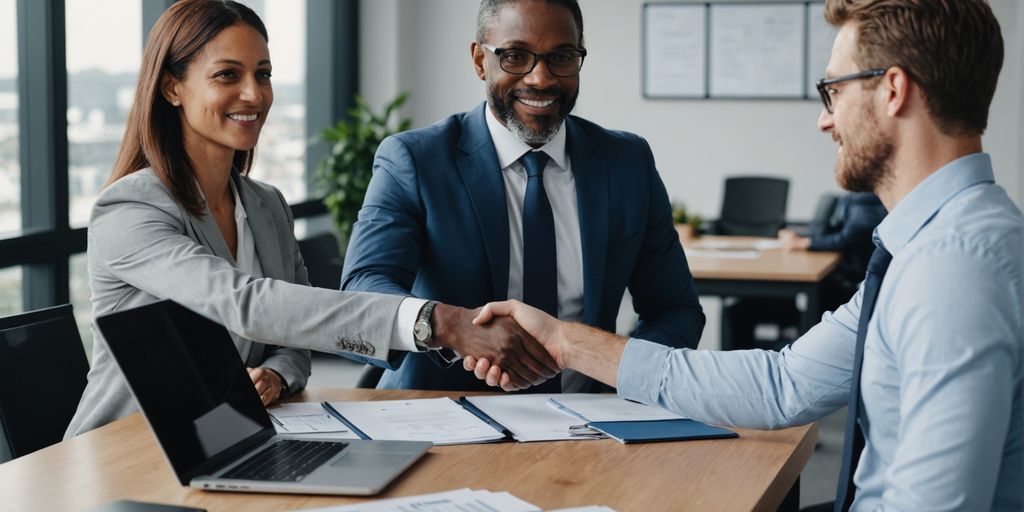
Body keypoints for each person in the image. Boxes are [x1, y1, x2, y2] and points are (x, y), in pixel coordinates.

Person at [467, 0, 1022, 510]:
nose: (824, 119)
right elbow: (783, 385)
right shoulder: (929, 248)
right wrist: (565, 341)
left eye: (833, 91)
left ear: (893, 90)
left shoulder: (955, 269)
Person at [66, 0, 556, 438]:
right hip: (124, 450)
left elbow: (292, 342)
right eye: (227, 75)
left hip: (227, 439)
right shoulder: (129, 210)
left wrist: (277, 375)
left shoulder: (266, 206)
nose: (254, 95)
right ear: (172, 87)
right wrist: (436, 320)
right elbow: (248, 305)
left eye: (263, 74)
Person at [340, 0, 705, 392]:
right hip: (442, 417)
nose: (540, 78)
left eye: (561, 56)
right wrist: (454, 326)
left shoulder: (626, 163)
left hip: (592, 426)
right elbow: (360, 294)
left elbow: (675, 310)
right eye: (515, 56)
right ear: (480, 60)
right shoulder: (415, 160)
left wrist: (619, 374)